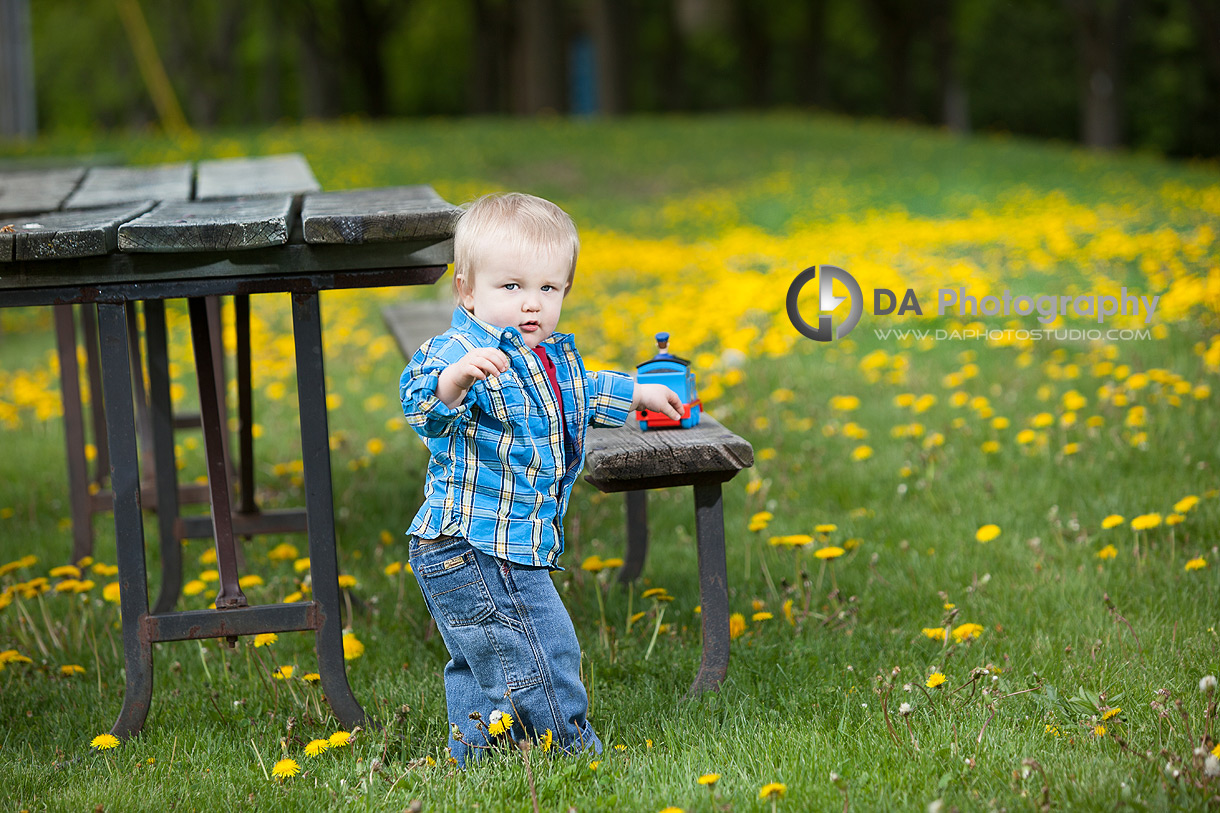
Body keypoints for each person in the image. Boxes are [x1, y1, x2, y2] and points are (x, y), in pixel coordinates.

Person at [400, 192, 682, 765]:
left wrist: (638, 393)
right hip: (476, 545)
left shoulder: (545, 354)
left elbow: (584, 390)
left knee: (482, 661)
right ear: (466, 290)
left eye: (548, 289)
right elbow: (422, 404)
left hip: (487, 545)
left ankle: (478, 758)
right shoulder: (456, 350)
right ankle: (574, 754)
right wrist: (452, 383)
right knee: (543, 650)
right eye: (511, 287)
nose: (531, 304)